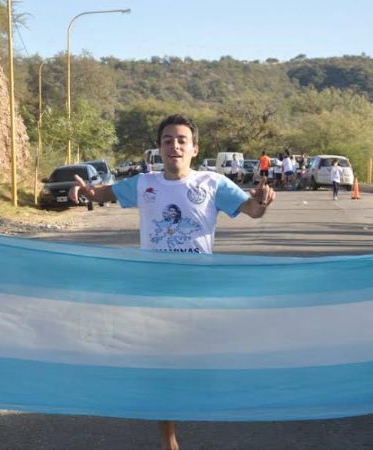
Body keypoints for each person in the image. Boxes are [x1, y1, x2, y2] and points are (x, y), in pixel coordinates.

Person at [70, 113, 276, 449]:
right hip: (155, 292)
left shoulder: (213, 184)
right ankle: (169, 440)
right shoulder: (143, 183)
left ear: (194, 148)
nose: (175, 146)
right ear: (159, 148)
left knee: (202, 362)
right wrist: (87, 192)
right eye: (168, 140)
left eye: (182, 140)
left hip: (200, 293)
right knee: (162, 366)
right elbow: (103, 193)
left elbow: (253, 210)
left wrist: (263, 201)